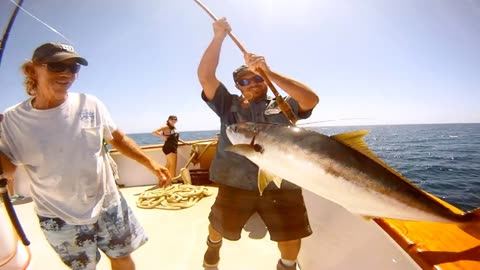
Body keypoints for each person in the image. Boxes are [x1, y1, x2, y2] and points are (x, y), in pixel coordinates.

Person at [0, 42, 172, 270]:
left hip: (107, 204)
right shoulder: (11, 120)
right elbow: (8, 171)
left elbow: (117, 138)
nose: (67, 74)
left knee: (122, 258)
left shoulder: (90, 103)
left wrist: (151, 163)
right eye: (56, 66)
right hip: (58, 216)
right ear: (32, 70)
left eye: (73, 68)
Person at [197, 18, 320, 270]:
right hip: (234, 182)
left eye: (257, 79)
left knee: (289, 234)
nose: (252, 83)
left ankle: (286, 264)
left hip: (282, 182)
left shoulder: (283, 105)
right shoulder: (226, 105)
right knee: (219, 224)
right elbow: (206, 76)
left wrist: (269, 72)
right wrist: (219, 36)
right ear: (237, 87)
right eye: (245, 81)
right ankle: (213, 244)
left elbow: (311, 99)